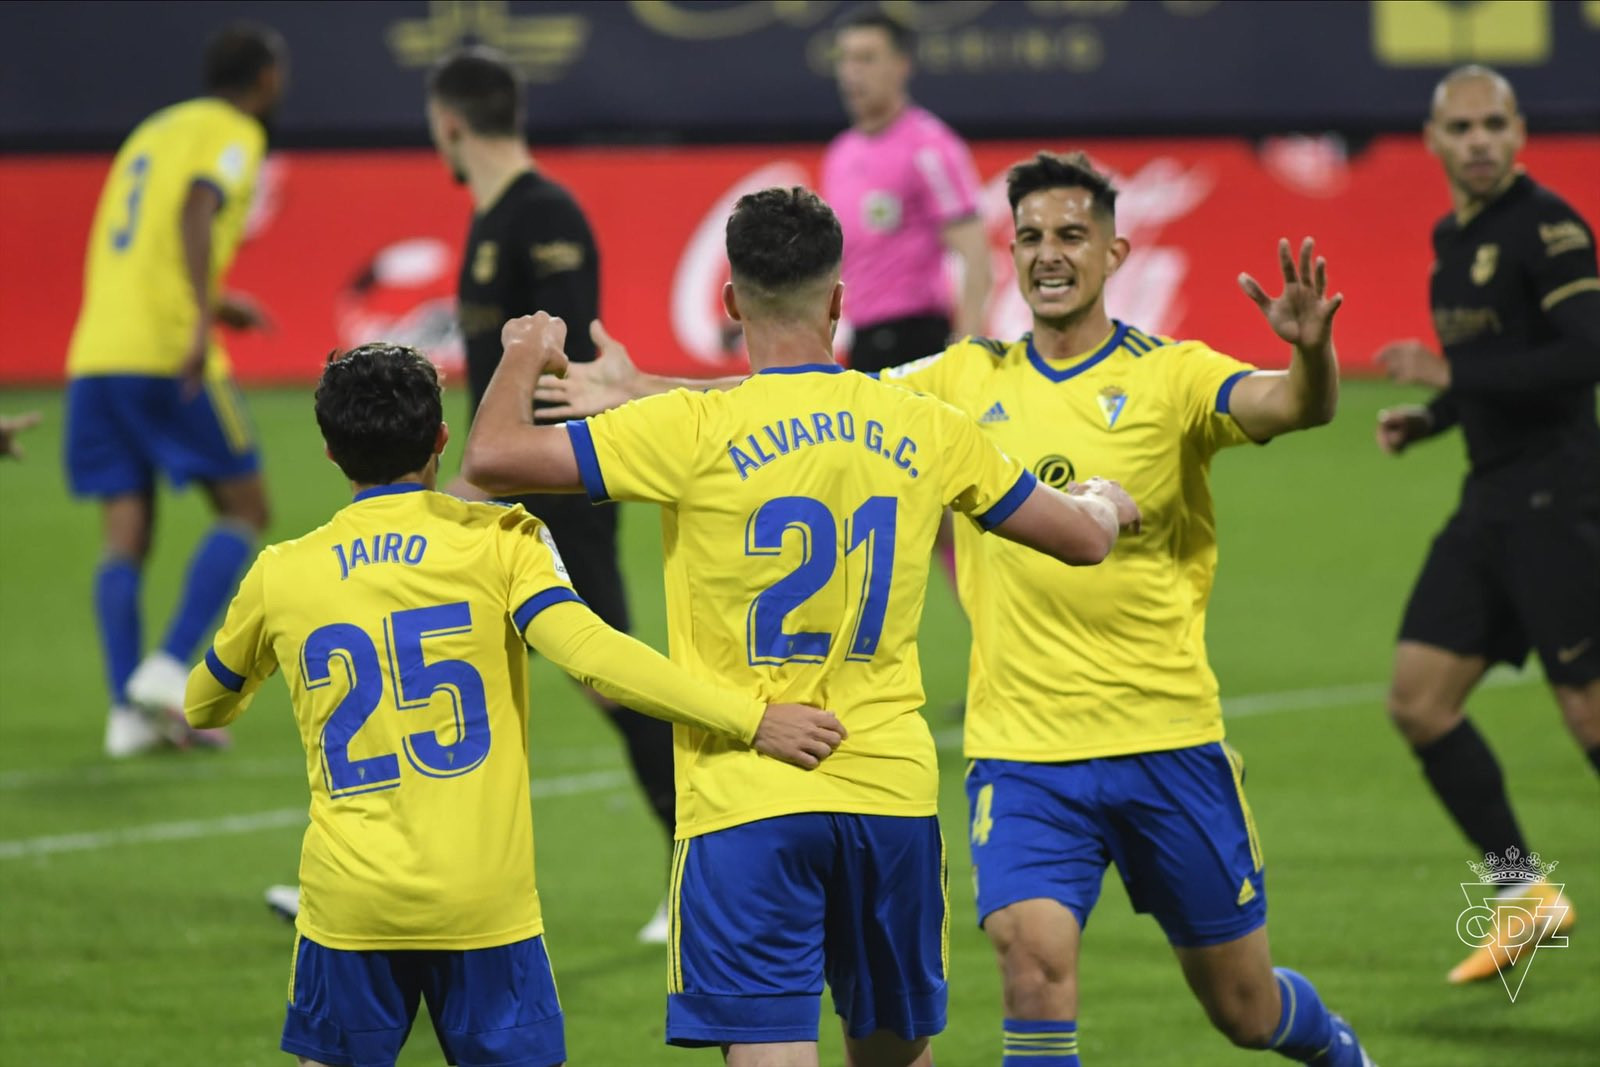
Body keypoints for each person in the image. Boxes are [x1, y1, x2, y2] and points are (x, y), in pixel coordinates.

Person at [534, 154, 1377, 1066]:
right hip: (1022, 750)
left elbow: (1292, 403)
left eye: (1070, 236)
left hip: (1166, 734)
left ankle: (1332, 1048)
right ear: (1009, 253)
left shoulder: (1173, 377)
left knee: (1246, 1009)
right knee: (1031, 957)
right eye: (1029, 237)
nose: (1048, 255)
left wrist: (1312, 352)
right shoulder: (959, 381)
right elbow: (797, 395)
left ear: (1117, 250)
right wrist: (640, 393)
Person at [460, 187, 1141, 1067]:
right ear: (838, 299)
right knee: (895, 1055)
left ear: (732, 302)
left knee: (769, 1049)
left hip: (747, 795)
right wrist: (1103, 503)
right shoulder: (929, 427)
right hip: (888, 792)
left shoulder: (685, 427)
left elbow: (492, 456)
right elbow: (1079, 540)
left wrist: (523, 353)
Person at [184, 342, 847, 1067]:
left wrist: (244, 673)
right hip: (485, 906)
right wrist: (752, 718)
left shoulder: (283, 573)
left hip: (349, 908)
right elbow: (597, 655)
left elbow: (202, 705)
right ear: (441, 441)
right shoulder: (503, 539)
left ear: (330, 452)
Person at [424, 44, 683, 944]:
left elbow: (558, 366)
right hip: (503, 489)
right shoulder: (496, 215)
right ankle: (397, 879)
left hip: (548, 493)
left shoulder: (541, 213)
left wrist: (486, 476)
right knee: (433, 665)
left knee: (608, 673)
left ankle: (699, 857)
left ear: (449, 122)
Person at [1373, 64, 1595, 985]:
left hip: (1562, 499)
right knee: (1419, 700)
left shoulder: (1548, 227)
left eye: (1493, 125)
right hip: (1491, 498)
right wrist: (1435, 420)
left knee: (1588, 718)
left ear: (1519, 132)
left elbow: (1584, 355)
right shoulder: (1450, 236)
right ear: (1432, 139)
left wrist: (1447, 379)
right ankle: (1523, 894)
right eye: (1460, 128)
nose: (1478, 142)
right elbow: (1504, 367)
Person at [64, 23, 284, 758]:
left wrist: (218, 301)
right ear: (263, 80)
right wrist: (199, 318)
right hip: (166, 350)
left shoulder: (155, 130)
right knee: (248, 507)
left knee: (125, 530)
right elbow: (197, 206)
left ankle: (128, 715)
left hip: (97, 351)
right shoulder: (234, 132)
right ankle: (166, 669)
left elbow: (142, 238)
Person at [822, 10, 990, 373]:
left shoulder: (930, 147)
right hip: (861, 340)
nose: (852, 71)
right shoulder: (840, 152)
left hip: (916, 337)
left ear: (901, 65)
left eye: (866, 58)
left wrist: (964, 353)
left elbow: (975, 254)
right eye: (846, 59)